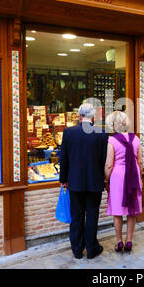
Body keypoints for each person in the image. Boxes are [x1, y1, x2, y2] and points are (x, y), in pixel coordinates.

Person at [59, 103, 108, 259]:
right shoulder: (101, 133)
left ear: (79, 116)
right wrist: (104, 179)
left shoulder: (69, 133)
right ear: (93, 116)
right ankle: (92, 248)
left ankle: (77, 249)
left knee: (77, 215)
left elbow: (63, 159)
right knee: (92, 215)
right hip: (95, 182)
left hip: (75, 182)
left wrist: (63, 179)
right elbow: (104, 160)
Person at [104, 111, 143, 254]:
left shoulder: (112, 141)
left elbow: (109, 165)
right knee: (131, 211)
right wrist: (140, 179)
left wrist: (106, 179)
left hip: (118, 176)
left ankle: (119, 241)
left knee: (118, 211)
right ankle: (129, 241)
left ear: (113, 125)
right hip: (133, 175)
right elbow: (139, 162)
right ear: (125, 123)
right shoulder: (136, 139)